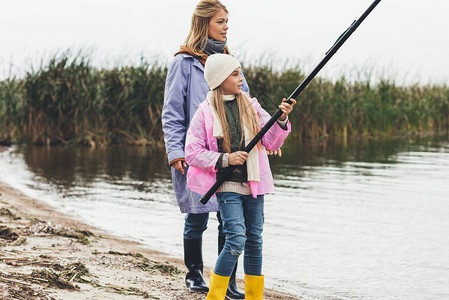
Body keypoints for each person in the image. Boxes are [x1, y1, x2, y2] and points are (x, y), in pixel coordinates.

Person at [185, 54, 296, 300]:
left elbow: (271, 141)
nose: (240, 78)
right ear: (220, 79)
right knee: (236, 239)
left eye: (239, 72)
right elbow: (192, 152)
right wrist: (225, 159)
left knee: (254, 240)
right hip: (227, 186)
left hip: (254, 185)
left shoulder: (251, 105)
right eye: (235, 74)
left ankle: (253, 297)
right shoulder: (204, 112)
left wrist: (282, 119)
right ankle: (215, 296)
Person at [162, 1, 249, 298]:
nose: (226, 27)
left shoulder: (230, 62)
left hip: (231, 156)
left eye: (227, 22)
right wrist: (175, 151)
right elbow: (172, 112)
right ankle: (194, 273)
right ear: (204, 24)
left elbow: (246, 105)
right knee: (197, 216)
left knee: (230, 219)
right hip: (196, 155)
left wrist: (264, 139)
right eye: (220, 22)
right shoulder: (183, 63)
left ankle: (227, 283)